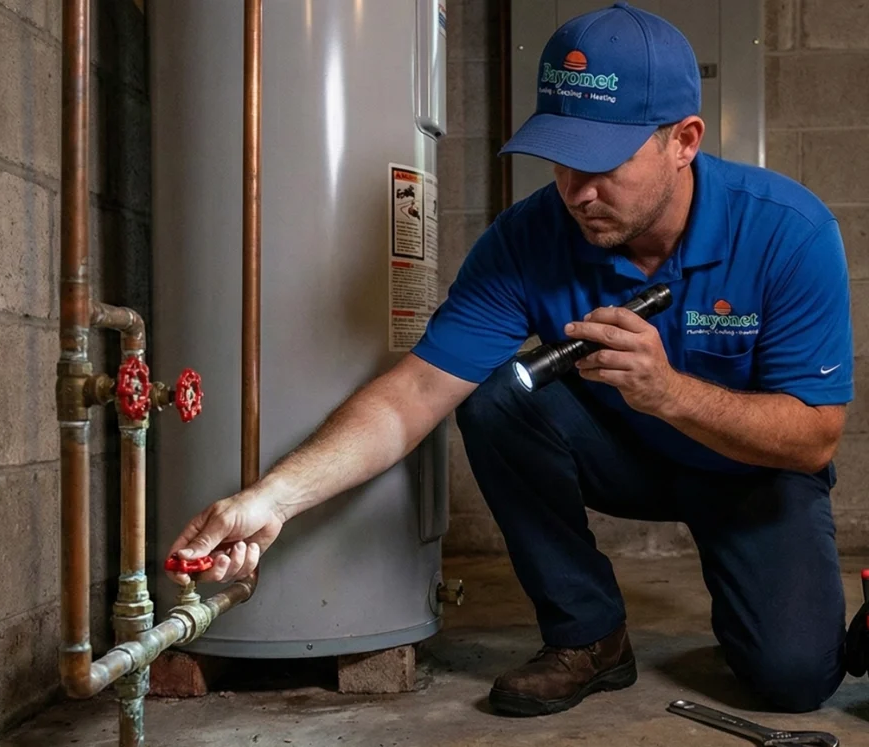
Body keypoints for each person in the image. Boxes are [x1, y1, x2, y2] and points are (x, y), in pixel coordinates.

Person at [166, 2, 854, 718]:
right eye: (561, 159)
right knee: (499, 396)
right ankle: (589, 634)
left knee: (794, 678)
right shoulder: (529, 238)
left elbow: (816, 437)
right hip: (625, 453)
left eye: (603, 163)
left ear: (683, 141)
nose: (577, 191)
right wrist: (272, 499)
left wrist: (671, 392)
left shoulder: (789, 232)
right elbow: (414, 394)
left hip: (749, 472)